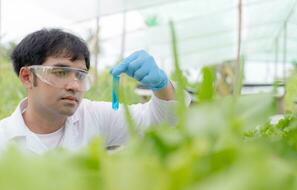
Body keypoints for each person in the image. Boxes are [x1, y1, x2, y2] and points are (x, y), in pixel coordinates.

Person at [0, 28, 191, 154]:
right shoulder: (4, 138)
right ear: (27, 76)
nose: (74, 85)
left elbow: (161, 123)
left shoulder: (93, 116)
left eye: (81, 75)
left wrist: (162, 86)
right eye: (60, 72)